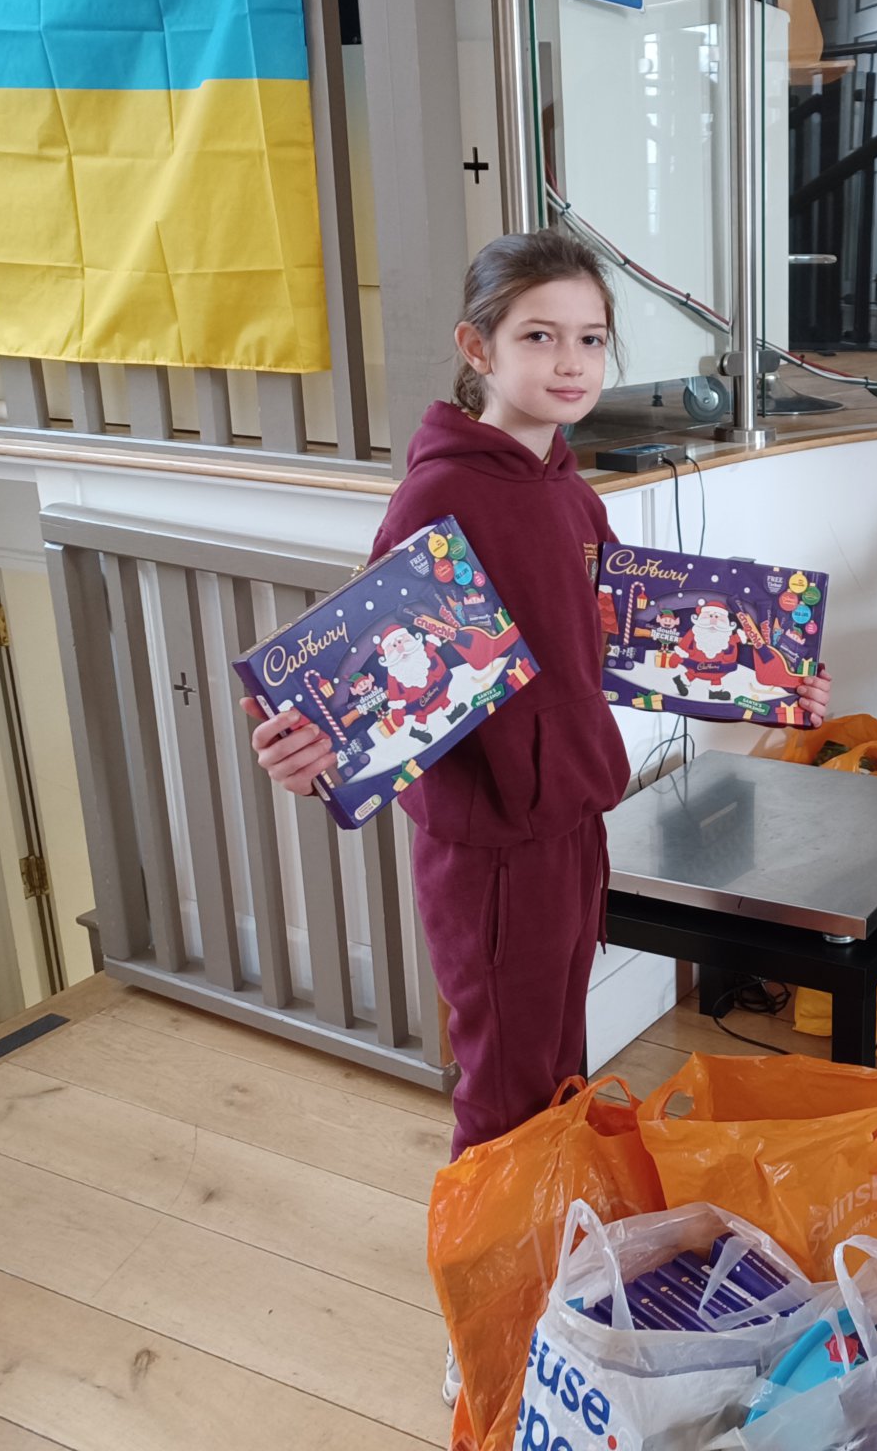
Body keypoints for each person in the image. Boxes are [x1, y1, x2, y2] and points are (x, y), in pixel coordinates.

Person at [239, 229, 831, 1396]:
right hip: (491, 853)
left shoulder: (564, 485)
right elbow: (369, 677)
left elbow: (624, 641)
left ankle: (549, 1283)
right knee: (502, 1097)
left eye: (590, 339)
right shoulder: (441, 495)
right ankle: (487, 1343)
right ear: (478, 349)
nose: (570, 362)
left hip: (566, 828)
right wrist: (305, 751)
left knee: (557, 1069)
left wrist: (770, 681)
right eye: (539, 337)